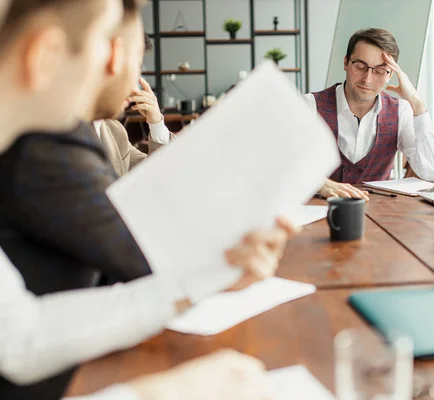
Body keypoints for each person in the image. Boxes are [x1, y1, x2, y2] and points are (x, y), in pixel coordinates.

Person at [0, 0, 295, 398]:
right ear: (45, 54)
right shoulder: (49, 149)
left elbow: (21, 338)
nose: (117, 67)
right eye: (107, 43)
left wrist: (203, 279)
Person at [305, 28, 434, 200]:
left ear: (391, 75)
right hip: (320, 211)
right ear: (346, 63)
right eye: (360, 67)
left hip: (380, 213)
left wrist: (416, 103)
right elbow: (281, 163)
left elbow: (433, 173)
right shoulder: (310, 106)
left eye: (379, 71)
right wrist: (321, 183)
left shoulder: (400, 111)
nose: (367, 79)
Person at [93, 34, 172, 177]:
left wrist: (156, 124)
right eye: (133, 68)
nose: (134, 84)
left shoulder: (114, 130)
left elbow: (152, 175)